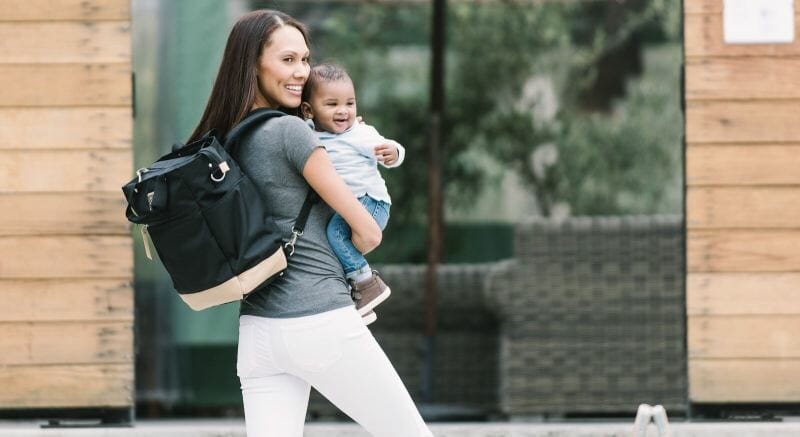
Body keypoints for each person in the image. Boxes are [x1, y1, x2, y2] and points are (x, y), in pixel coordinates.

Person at [188, 9, 433, 437]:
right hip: (319, 319)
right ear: (252, 64)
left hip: (258, 332)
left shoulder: (227, 138)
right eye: (287, 60)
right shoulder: (293, 134)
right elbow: (368, 232)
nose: (301, 71)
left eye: (304, 59)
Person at [300, 63, 404, 325]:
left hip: (371, 203)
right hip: (353, 205)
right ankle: (361, 303)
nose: (343, 111)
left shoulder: (359, 133)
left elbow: (386, 146)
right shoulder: (310, 133)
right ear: (309, 110)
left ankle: (368, 284)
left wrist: (393, 152)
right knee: (335, 241)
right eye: (332, 104)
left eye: (350, 103)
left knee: (335, 234)